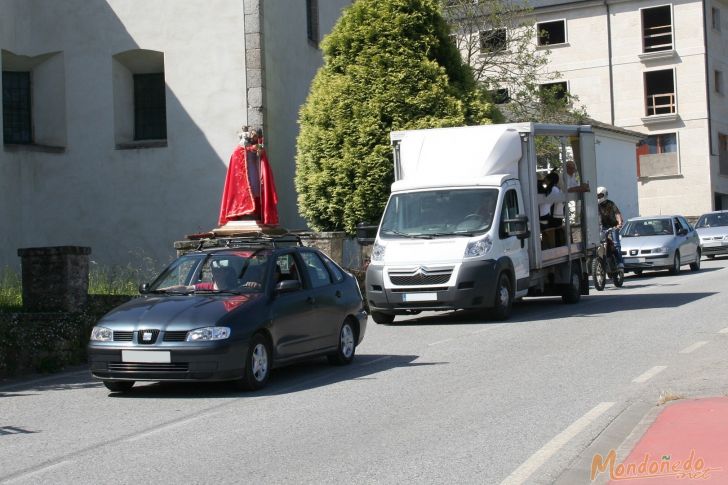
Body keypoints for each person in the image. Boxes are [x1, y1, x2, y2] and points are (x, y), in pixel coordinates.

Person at [218, 126, 279, 226]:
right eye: (253, 134)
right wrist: (249, 149)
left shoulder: (258, 145)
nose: (254, 137)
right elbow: (237, 155)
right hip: (244, 173)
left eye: (256, 135)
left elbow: (262, 158)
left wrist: (259, 152)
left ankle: (256, 212)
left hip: (255, 171)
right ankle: (246, 212)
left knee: (256, 190)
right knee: (246, 191)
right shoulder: (243, 144)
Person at [597, 186, 624, 269]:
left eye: (600, 195)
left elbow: (617, 213)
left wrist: (619, 223)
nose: (598, 197)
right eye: (597, 196)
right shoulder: (596, 206)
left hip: (613, 227)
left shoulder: (611, 204)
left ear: (605, 195)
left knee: (616, 244)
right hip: (602, 228)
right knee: (599, 245)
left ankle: (620, 262)